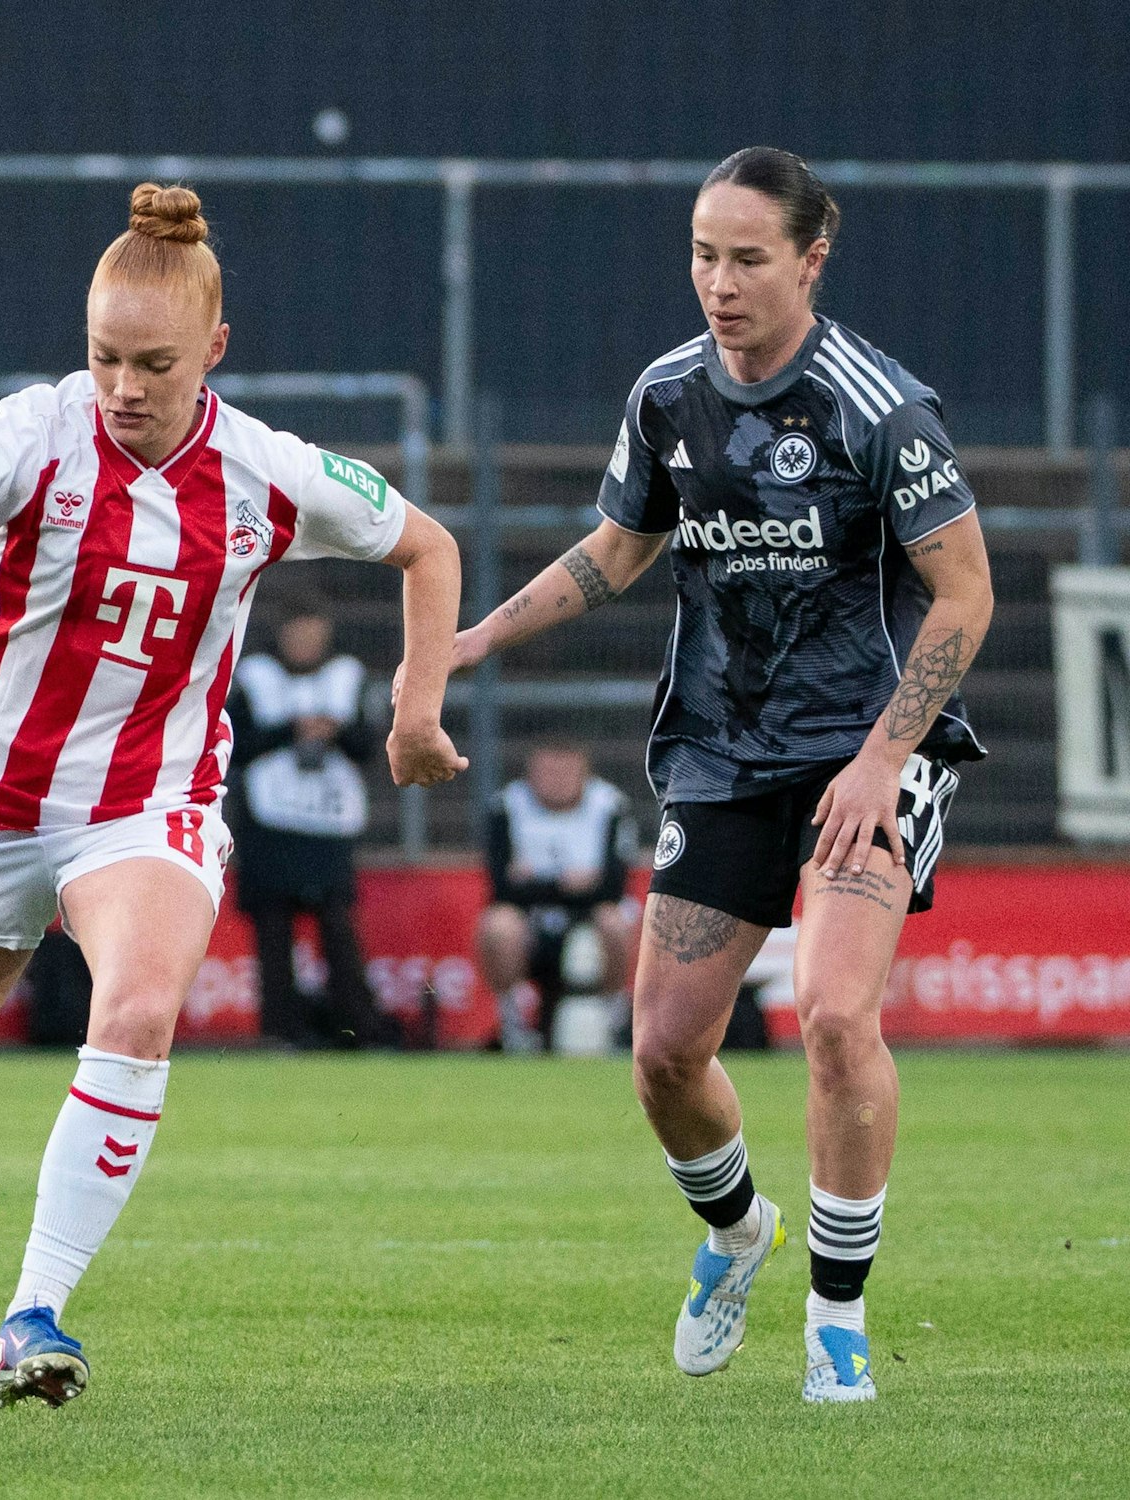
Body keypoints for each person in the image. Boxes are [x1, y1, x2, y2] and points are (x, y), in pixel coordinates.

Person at [0, 183, 464, 1407]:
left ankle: (33, 1314)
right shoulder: (37, 431)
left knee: (139, 1010)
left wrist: (414, 706)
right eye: (103, 356)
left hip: (148, 801)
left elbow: (428, 546)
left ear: (212, 350)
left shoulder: (266, 471)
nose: (122, 385)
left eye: (152, 362)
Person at [437, 147, 992, 1403]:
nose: (718, 282)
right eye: (702, 253)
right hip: (721, 753)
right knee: (663, 1055)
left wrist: (881, 758)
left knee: (836, 1018)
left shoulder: (875, 406)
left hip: (865, 757)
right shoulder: (667, 395)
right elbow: (615, 550)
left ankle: (835, 1323)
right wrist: (473, 640)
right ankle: (739, 1234)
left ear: (809, 258)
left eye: (746, 257)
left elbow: (965, 594)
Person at [229, 596, 398, 1048]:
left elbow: (369, 745)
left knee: (338, 928)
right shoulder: (253, 678)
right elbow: (234, 745)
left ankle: (359, 1030)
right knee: (273, 929)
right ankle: (280, 1033)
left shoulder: (349, 676)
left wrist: (334, 732)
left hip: (328, 821)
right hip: (268, 822)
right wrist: (291, 730)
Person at [476, 740, 636, 1053]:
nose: (557, 780)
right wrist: (570, 884)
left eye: (566, 771)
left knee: (615, 921)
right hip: (530, 923)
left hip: (588, 919)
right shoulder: (507, 806)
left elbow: (614, 886)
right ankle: (513, 1026)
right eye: (547, 771)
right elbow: (501, 888)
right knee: (498, 924)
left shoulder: (610, 805)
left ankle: (614, 1019)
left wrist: (535, 880)